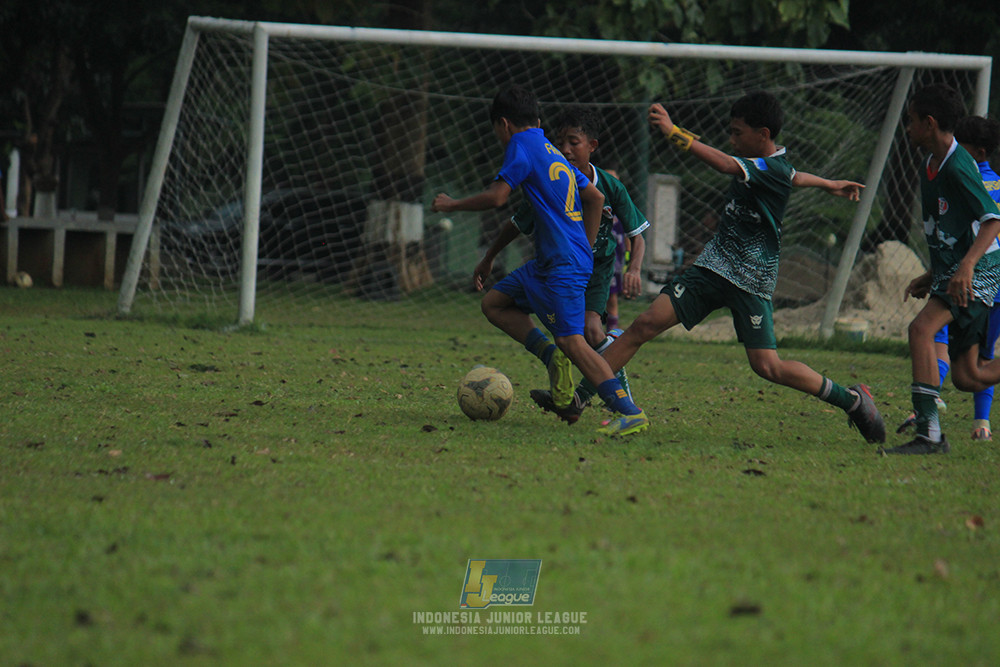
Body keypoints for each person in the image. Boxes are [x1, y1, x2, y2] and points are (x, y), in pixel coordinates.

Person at [593, 91, 887, 443]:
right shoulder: (773, 164)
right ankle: (579, 396)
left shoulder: (762, 166)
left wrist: (674, 132)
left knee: (767, 366)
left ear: (762, 134)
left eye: (737, 133)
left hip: (750, 280)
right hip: (713, 266)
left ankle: (852, 401)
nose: (731, 140)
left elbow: (726, 164)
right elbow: (793, 176)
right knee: (644, 323)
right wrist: (828, 184)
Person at [431, 85, 648, 436]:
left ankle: (629, 411)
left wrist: (452, 204)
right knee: (494, 303)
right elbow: (593, 197)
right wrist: (585, 245)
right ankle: (551, 357)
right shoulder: (549, 148)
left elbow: (498, 197)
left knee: (575, 342)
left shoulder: (521, 145)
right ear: (538, 120)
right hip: (550, 262)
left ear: (503, 124)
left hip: (562, 265)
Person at [509, 107, 649, 423]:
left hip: (597, 268)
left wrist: (635, 269)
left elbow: (637, 236)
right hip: (560, 267)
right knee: (572, 336)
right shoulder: (552, 179)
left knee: (587, 330)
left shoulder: (611, 188)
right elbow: (519, 222)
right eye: (561, 143)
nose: (566, 149)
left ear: (592, 146)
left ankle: (619, 404)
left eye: (574, 142)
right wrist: (490, 256)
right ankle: (579, 398)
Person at [883, 85, 1000, 454]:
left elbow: (993, 220)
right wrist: (934, 275)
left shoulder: (958, 164)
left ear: (929, 124)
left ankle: (929, 435)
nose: (908, 128)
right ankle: (930, 432)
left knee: (921, 329)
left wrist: (965, 267)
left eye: (912, 121)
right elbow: (946, 230)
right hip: (956, 273)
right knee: (969, 376)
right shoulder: (929, 163)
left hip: (980, 271)